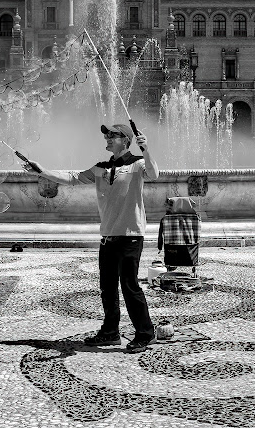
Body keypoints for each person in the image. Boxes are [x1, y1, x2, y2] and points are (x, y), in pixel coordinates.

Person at [23, 123, 159, 353]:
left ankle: (146, 333)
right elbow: (73, 177)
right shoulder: (101, 168)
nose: (106, 138)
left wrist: (147, 150)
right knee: (107, 286)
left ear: (125, 140)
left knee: (129, 285)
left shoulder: (137, 164)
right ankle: (110, 332)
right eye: (106, 135)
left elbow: (154, 174)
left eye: (112, 135)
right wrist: (42, 171)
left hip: (130, 235)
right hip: (107, 235)